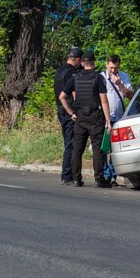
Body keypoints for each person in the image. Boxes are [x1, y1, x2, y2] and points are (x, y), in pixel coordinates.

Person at [58, 50, 112, 188]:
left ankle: (77, 179)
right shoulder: (99, 78)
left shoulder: (75, 78)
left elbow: (62, 96)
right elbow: (104, 101)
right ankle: (99, 180)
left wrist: (71, 113)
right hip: (95, 117)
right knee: (97, 150)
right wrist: (108, 120)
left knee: (77, 149)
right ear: (93, 63)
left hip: (80, 118)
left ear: (82, 63)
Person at [101, 55, 134, 186]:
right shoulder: (101, 78)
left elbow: (131, 95)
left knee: (115, 148)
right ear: (106, 65)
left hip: (119, 117)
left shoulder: (123, 77)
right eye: (111, 68)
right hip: (105, 117)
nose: (113, 71)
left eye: (116, 68)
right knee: (104, 147)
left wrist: (120, 84)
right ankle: (105, 174)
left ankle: (113, 175)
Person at [55, 47, 82, 184]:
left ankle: (68, 174)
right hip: (68, 111)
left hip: (61, 111)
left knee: (69, 142)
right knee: (71, 144)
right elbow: (72, 93)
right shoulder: (72, 73)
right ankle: (66, 175)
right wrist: (73, 111)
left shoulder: (60, 70)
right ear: (77, 59)